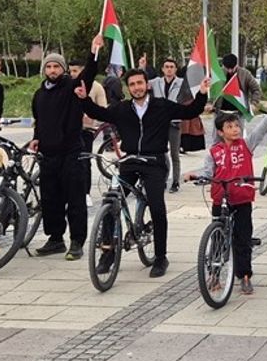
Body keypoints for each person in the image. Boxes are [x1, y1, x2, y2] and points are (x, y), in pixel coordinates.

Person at [78, 70, 209, 278]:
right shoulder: (121, 109)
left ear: (147, 85)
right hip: (130, 161)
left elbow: (191, 111)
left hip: (154, 162)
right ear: (128, 88)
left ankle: (160, 257)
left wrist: (202, 93)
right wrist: (84, 99)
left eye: (140, 83)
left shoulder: (162, 106)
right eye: (132, 84)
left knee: (157, 206)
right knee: (111, 203)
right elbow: (98, 113)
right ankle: (108, 254)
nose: (137, 87)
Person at [192, 98, 267, 294]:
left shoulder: (246, 145)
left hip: (242, 199)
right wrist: (196, 176)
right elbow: (208, 172)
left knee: (242, 239)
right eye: (230, 126)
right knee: (217, 237)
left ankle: (244, 275)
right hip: (221, 199)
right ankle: (215, 274)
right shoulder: (213, 152)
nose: (235, 129)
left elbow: (260, 131)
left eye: (237, 125)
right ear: (220, 132)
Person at [30, 35, 103, 260]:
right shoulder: (39, 94)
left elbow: (88, 74)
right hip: (48, 154)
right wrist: (36, 137)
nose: (52, 70)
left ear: (62, 69)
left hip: (72, 152)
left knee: (75, 198)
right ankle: (55, 239)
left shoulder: (71, 87)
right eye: (49, 66)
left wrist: (93, 52)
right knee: (51, 199)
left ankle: (76, 241)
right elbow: (39, 119)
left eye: (56, 66)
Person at [150, 57, 193, 193]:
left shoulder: (181, 83)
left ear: (175, 69)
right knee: (161, 152)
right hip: (160, 122)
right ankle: (162, 179)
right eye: (166, 67)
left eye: (171, 67)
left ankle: (175, 182)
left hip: (174, 122)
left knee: (175, 153)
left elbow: (193, 92)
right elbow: (140, 81)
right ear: (162, 69)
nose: (169, 69)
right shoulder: (156, 82)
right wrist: (142, 67)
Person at [70, 60, 108, 206]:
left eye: (75, 71)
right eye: (70, 71)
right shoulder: (67, 85)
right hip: (69, 131)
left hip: (86, 131)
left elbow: (103, 109)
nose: (72, 74)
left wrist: (92, 122)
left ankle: (85, 193)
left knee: (85, 161)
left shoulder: (97, 87)